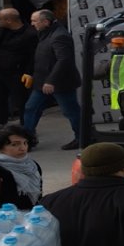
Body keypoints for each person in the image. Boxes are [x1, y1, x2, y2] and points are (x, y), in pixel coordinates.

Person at [24, 10, 83, 149]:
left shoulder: (60, 36)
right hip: (42, 82)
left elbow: (64, 60)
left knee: (71, 111)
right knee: (30, 108)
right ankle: (27, 139)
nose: (32, 24)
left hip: (60, 84)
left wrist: (51, 81)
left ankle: (82, 138)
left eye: (34, 21)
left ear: (45, 22)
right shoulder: (45, 33)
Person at [0, 8, 38, 125]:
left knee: (22, 102)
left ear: (9, 20)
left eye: (0, 19)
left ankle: (26, 129)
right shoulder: (3, 31)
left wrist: (29, 72)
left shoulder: (29, 34)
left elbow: (33, 55)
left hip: (18, 74)